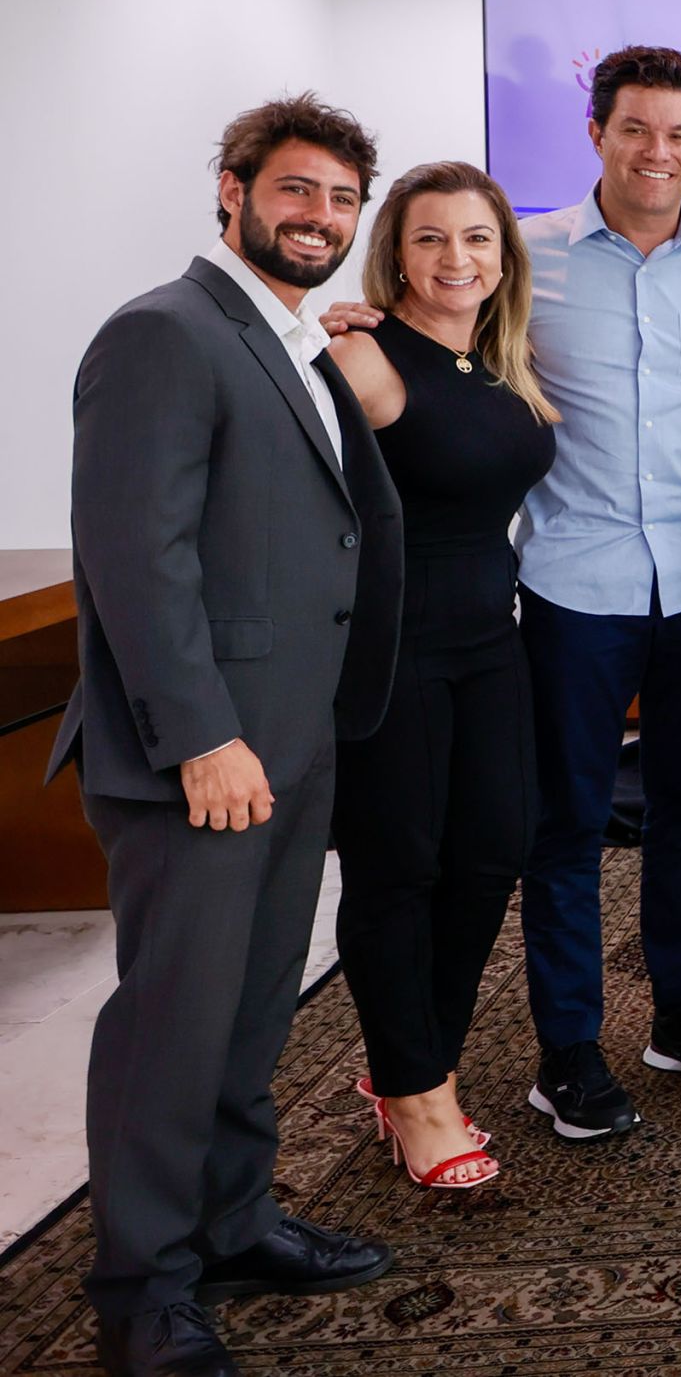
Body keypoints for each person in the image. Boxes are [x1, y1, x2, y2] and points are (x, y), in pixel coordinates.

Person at [338, 46, 681, 1137]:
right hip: (571, 588)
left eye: (678, 133)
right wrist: (361, 326)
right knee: (566, 825)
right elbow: (447, 366)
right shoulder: (519, 256)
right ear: (597, 133)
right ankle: (567, 1050)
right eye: (636, 129)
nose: (657, 152)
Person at [49, 96, 402, 1375]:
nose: (320, 219)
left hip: (289, 741)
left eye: (341, 201)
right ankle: (141, 1288)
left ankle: (234, 1220)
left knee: (254, 1008)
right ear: (231, 192)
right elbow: (138, 561)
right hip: (202, 757)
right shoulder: (162, 334)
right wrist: (201, 735)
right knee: (171, 1025)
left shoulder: (288, 341)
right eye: (297, 192)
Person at [325, 162, 558, 1186]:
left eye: (476, 238)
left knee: (493, 853)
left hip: (489, 644)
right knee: (397, 871)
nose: (455, 258)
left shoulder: (499, 365)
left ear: (502, 256)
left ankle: (419, 1065)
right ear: (396, 253)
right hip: (396, 653)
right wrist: (325, 336)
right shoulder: (371, 359)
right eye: (430, 239)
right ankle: (418, 1095)